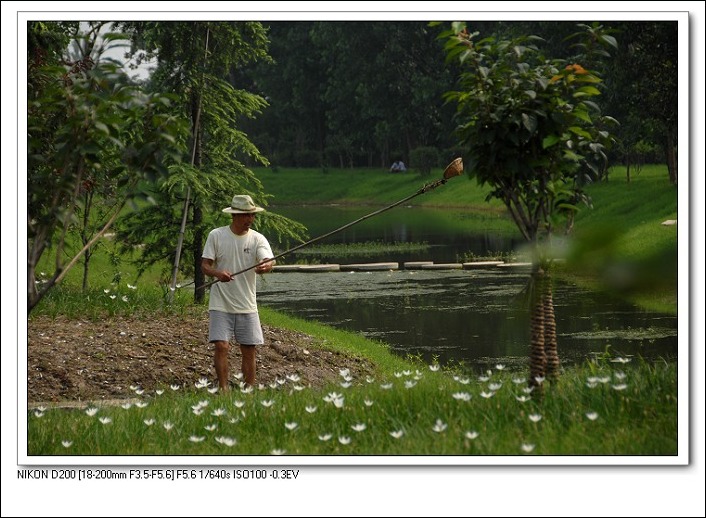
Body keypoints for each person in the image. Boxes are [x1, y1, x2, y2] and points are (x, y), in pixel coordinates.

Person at [201, 194, 276, 391]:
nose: (249, 220)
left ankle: (248, 391)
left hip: (247, 304)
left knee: (249, 349)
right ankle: (224, 389)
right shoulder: (216, 235)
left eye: (251, 215)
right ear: (234, 215)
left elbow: (269, 260)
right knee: (221, 346)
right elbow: (205, 266)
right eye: (245, 216)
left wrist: (265, 266)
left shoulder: (258, 238)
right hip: (221, 303)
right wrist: (218, 274)